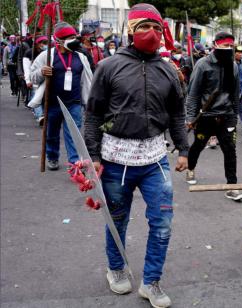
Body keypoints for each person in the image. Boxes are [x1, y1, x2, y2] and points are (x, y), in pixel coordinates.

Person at [84, 4, 189, 307]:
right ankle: (116, 269)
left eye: (157, 28)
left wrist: (183, 150)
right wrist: (93, 155)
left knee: (163, 222)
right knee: (117, 220)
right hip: (116, 160)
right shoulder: (108, 67)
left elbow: (177, 115)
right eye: (145, 26)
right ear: (130, 30)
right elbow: (93, 116)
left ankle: (151, 282)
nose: (152, 33)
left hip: (155, 160)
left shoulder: (169, 70)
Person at [185, 32, 242, 201]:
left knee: (230, 150)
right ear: (216, 45)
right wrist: (190, 117)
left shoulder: (233, 65)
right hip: (206, 116)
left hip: (227, 116)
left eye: (231, 46)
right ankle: (190, 168)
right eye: (225, 46)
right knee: (198, 144)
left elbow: (235, 92)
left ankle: (232, 187)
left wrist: (235, 112)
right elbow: (193, 93)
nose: (229, 49)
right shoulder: (203, 65)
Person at [30, 22, 93, 170]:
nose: (75, 40)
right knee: (51, 134)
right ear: (59, 40)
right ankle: (52, 157)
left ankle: (75, 163)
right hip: (52, 103)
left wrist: (89, 102)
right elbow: (32, 77)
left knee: (74, 135)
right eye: (71, 37)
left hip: (74, 103)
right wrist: (41, 72)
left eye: (75, 36)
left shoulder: (81, 57)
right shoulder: (46, 56)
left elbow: (88, 81)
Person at [23, 35, 49, 125]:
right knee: (36, 96)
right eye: (43, 43)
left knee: (44, 97)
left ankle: (45, 114)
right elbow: (27, 68)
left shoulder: (48, 53)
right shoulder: (29, 53)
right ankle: (40, 116)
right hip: (34, 78)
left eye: (46, 43)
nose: (45, 45)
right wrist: (28, 80)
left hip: (46, 79)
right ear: (37, 44)